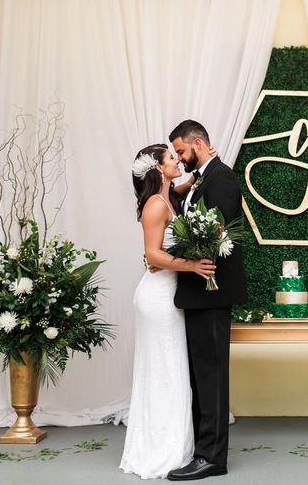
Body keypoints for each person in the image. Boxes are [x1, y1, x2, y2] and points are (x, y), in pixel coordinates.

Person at [120, 144, 215, 480]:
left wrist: (205, 166)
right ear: (159, 168)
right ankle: (159, 451)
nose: (179, 160)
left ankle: (172, 445)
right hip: (157, 297)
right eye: (172, 158)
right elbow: (153, 254)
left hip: (167, 294)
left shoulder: (168, 196)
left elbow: (184, 185)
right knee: (164, 370)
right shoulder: (156, 204)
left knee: (171, 369)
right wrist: (193, 265)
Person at [167, 120, 247, 481]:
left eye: (182, 151)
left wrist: (169, 256)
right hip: (198, 292)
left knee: (211, 376)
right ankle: (202, 450)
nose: (180, 158)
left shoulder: (222, 178)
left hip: (212, 292)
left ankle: (212, 457)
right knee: (201, 375)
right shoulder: (202, 178)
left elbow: (218, 235)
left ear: (198, 143)